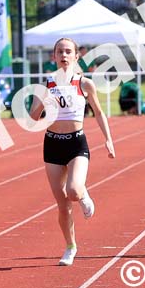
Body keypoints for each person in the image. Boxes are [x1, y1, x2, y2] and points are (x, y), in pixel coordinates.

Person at [29, 37, 115, 266]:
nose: (64, 55)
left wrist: (108, 139)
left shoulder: (85, 84)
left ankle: (84, 196)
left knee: (74, 191)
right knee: (63, 204)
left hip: (76, 143)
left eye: (68, 51)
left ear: (77, 56)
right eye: (60, 52)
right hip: (53, 143)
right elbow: (33, 117)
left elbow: (98, 112)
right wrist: (43, 100)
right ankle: (70, 246)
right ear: (54, 57)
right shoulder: (46, 85)